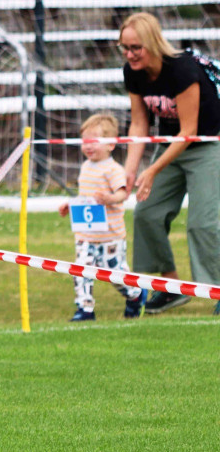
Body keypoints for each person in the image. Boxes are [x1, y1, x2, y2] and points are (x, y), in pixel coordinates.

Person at [120, 12, 220, 315]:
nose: (129, 54)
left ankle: (218, 288)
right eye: (124, 47)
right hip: (170, 144)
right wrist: (130, 171)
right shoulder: (133, 72)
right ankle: (169, 288)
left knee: (203, 223)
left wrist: (152, 170)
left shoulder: (181, 69)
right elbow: (140, 124)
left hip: (208, 143)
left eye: (136, 48)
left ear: (152, 43)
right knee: (147, 214)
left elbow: (189, 130)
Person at [57, 113, 147, 321]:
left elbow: (123, 194)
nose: (88, 146)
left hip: (110, 237)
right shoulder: (85, 167)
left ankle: (135, 294)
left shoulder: (113, 170)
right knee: (81, 271)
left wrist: (110, 198)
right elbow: (86, 197)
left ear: (111, 145)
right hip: (86, 235)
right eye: (85, 141)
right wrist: (71, 206)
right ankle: (85, 309)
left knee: (115, 275)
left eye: (94, 141)